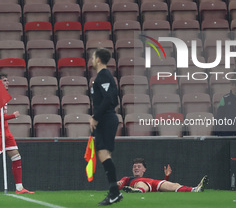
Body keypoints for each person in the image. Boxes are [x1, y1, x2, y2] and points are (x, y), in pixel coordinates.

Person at [89, 48, 123, 205]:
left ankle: (114, 192)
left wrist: (95, 117)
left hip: (106, 119)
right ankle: (114, 192)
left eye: (93, 56)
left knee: (103, 153)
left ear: (97, 59)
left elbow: (110, 99)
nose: (91, 59)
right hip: (106, 118)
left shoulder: (103, 75)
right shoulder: (104, 76)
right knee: (103, 153)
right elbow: (114, 99)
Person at [118, 158, 208, 193]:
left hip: (154, 183)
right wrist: (117, 185)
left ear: (144, 169)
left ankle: (195, 189)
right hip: (138, 184)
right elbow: (119, 185)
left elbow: (163, 187)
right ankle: (138, 190)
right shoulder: (128, 178)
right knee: (140, 183)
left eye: (139, 166)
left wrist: (166, 177)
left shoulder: (149, 178)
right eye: (134, 167)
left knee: (175, 185)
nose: (136, 168)